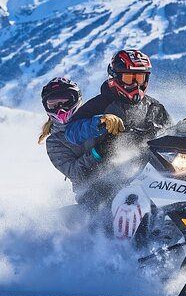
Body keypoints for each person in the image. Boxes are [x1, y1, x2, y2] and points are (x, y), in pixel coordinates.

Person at [65, 49, 172, 201]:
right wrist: (99, 121)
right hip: (99, 178)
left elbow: (170, 131)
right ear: (115, 77)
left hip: (146, 174)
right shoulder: (99, 105)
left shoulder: (153, 106)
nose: (136, 84)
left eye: (140, 78)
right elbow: (71, 133)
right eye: (129, 78)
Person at [38, 77, 124, 206]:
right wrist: (99, 152)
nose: (60, 109)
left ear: (76, 99)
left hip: (122, 176)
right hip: (92, 195)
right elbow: (75, 173)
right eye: (53, 105)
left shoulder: (97, 117)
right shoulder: (54, 142)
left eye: (65, 101)